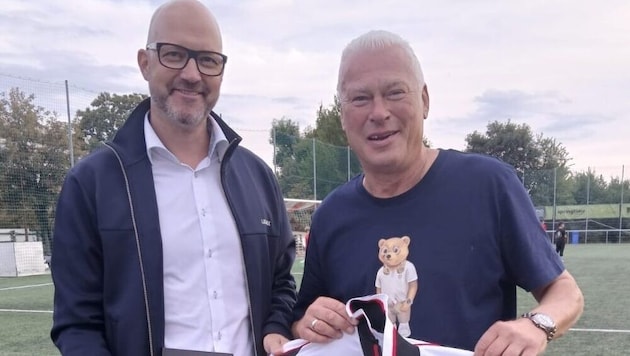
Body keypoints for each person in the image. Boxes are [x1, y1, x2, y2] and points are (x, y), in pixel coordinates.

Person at [291, 30, 584, 355]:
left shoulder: (488, 185)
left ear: (425, 101)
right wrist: (309, 322)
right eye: (360, 98)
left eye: (395, 92)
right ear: (343, 115)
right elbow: (304, 317)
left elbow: (564, 291)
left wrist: (536, 324)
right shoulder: (331, 215)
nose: (378, 112)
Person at [50, 1, 297, 355]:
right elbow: (77, 324)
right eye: (174, 54)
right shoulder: (91, 184)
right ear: (145, 63)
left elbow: (281, 284)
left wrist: (275, 326)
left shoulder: (258, 178)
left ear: (221, 72)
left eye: (208, 59)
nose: (192, 74)